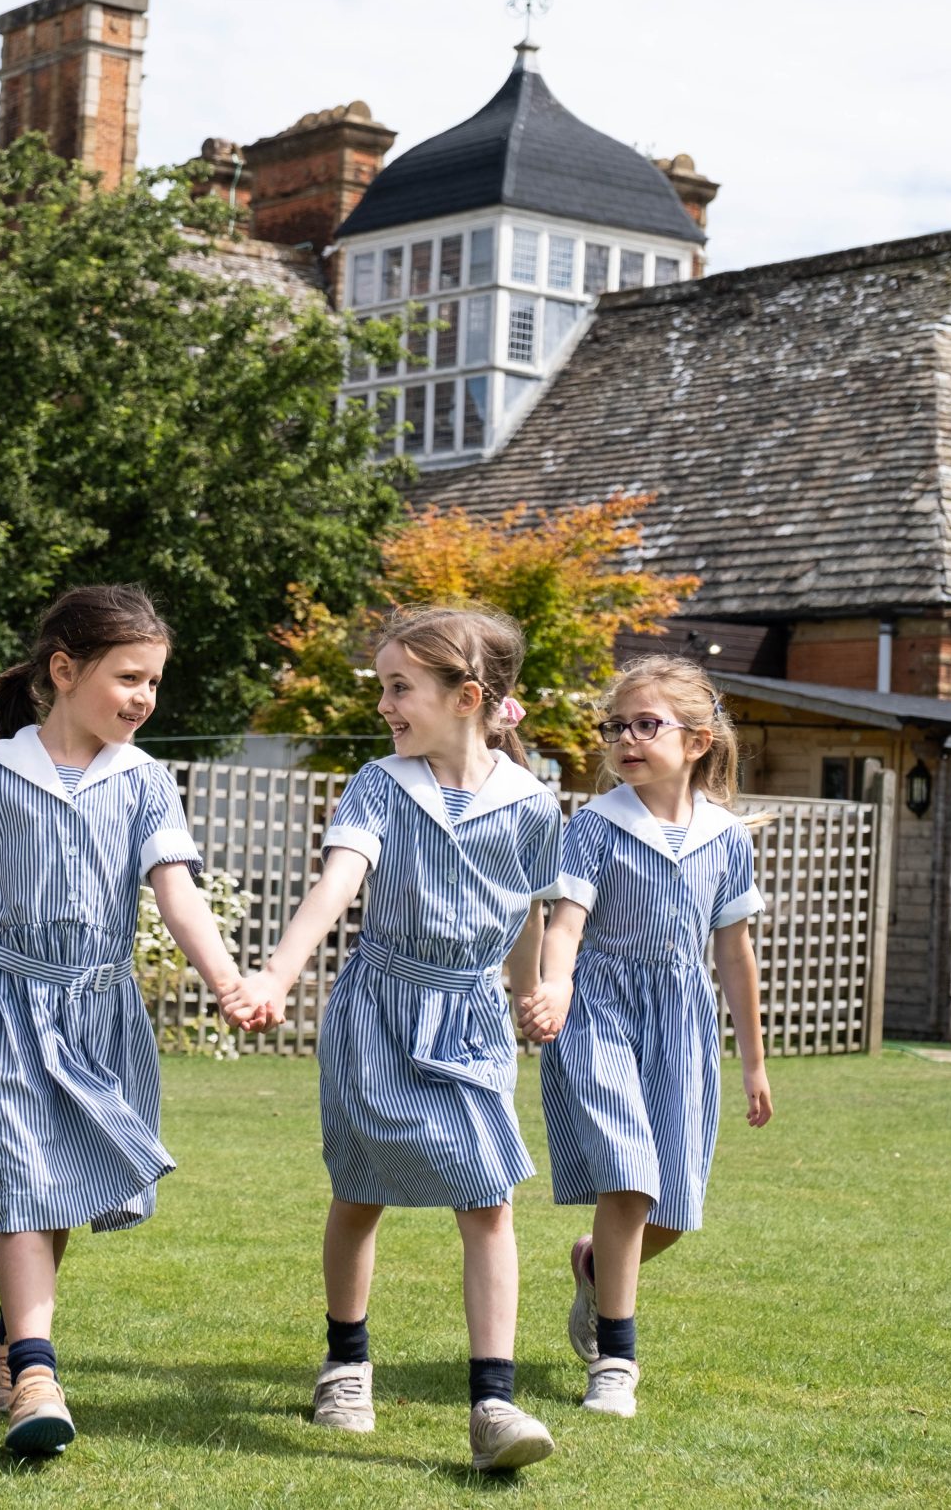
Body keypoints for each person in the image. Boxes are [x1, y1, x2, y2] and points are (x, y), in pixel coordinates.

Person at [0, 584, 257, 1459]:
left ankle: (6, 1342)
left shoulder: (146, 781)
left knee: (58, 1185)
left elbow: (178, 897)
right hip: (5, 1007)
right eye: (130, 676)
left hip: (101, 1014)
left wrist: (227, 978)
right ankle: (37, 1371)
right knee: (25, 1183)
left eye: (155, 681)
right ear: (64, 671)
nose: (146, 697)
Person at [234, 605, 560, 1474]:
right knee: (362, 1187)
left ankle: (493, 1399)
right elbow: (336, 884)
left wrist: (533, 991)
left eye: (399, 686)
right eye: (383, 685)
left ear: (469, 696)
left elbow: (530, 911)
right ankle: (346, 1362)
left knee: (489, 1198)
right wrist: (276, 973)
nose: (385, 703)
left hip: (471, 1015)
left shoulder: (533, 803)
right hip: (377, 1009)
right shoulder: (380, 784)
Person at [517, 655, 774, 1421]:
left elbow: (733, 954)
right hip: (597, 1011)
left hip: (681, 1022)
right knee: (628, 1176)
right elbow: (564, 924)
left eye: (645, 724)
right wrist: (555, 986)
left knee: (672, 1206)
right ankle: (616, 1361)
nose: (625, 739)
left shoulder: (726, 839)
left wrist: (754, 1060)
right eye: (616, 726)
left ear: (696, 740)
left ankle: (595, 1269)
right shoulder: (594, 826)